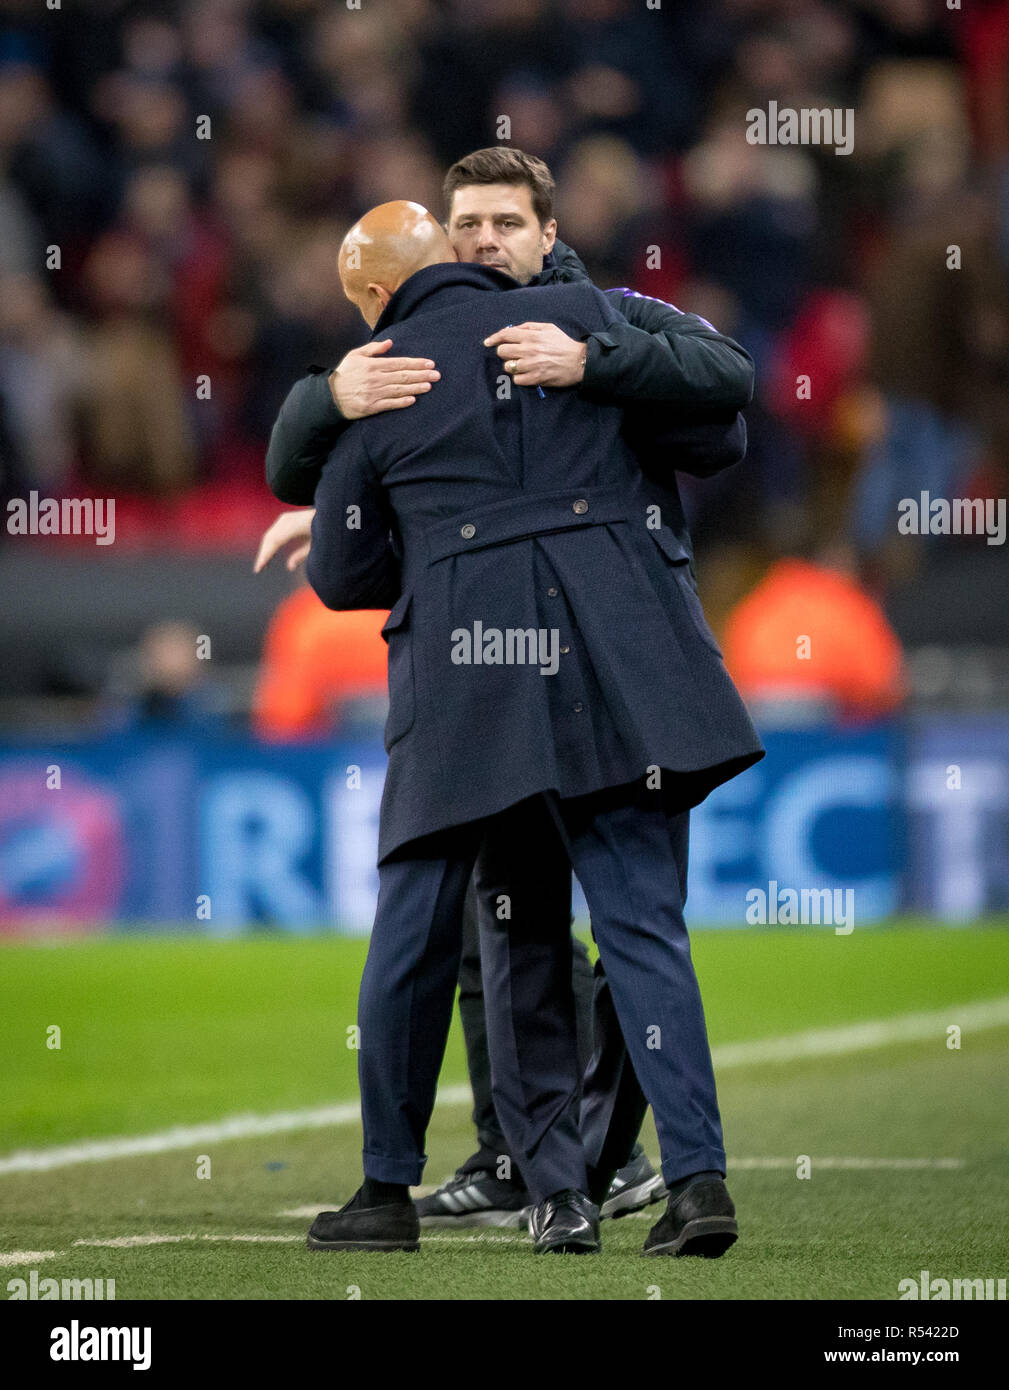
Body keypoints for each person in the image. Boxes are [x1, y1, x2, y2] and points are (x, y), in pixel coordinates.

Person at [262, 148, 754, 1232]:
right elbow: (722, 418)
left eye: (505, 222)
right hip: (620, 661)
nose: (486, 241)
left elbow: (723, 403)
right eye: (468, 223)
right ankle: (603, 1174)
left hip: (496, 671)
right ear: (445, 240)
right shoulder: (406, 358)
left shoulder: (599, 316)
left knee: (513, 931)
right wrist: (328, 396)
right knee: (599, 931)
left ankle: (566, 1174)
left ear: (545, 231)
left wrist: (597, 362)